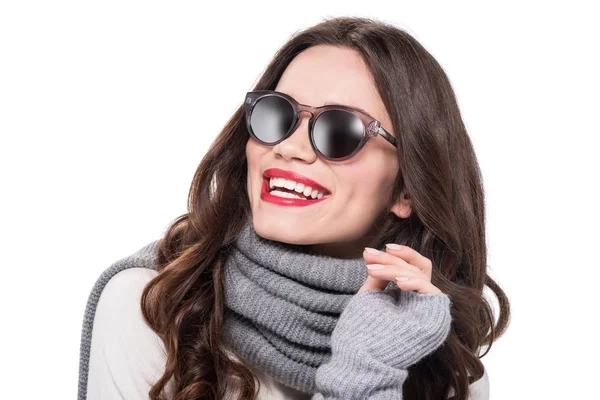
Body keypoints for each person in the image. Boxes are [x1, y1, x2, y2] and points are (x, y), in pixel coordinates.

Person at [78, 16, 509, 400]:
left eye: (341, 130)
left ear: (407, 191)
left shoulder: (446, 363)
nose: (288, 148)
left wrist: (374, 361)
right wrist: (361, 378)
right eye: (276, 115)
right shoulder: (152, 304)